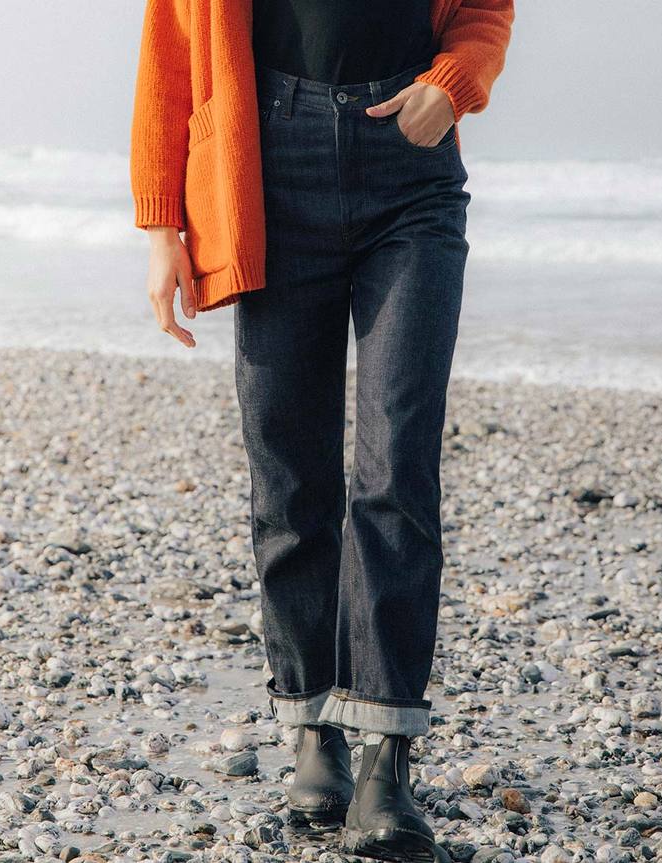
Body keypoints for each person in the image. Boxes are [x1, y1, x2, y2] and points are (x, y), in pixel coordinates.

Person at [131, 1, 513, 859]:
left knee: (396, 468)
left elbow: (485, 9)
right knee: (290, 475)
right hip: (262, 164)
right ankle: (313, 733)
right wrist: (162, 229)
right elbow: (170, 52)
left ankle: (387, 760)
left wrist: (451, 87)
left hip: (408, 168)